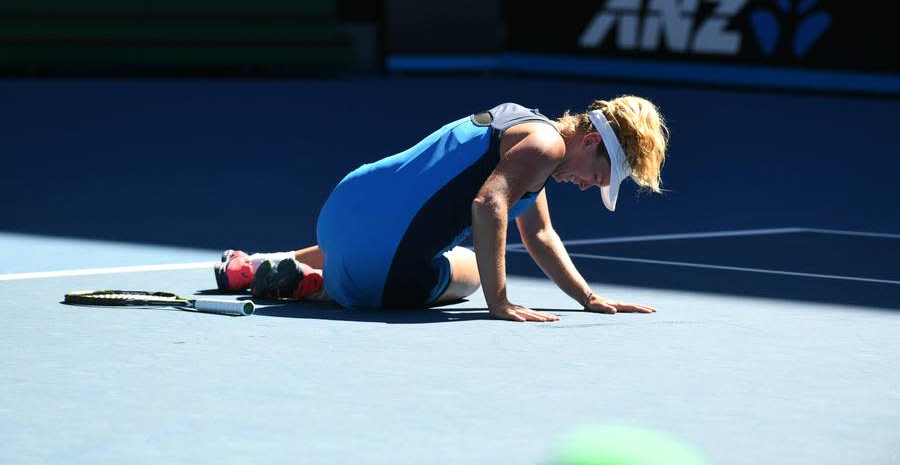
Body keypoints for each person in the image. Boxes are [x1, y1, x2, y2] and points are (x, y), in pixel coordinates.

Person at [215, 96, 669, 322]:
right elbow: (488, 204)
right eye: (598, 176)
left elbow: (541, 235)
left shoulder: (530, 133)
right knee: (469, 267)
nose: (590, 187)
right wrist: (500, 303)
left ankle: (261, 266)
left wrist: (587, 299)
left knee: (384, 228)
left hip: (343, 207)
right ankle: (318, 288)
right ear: (590, 141)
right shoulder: (545, 150)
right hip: (379, 269)